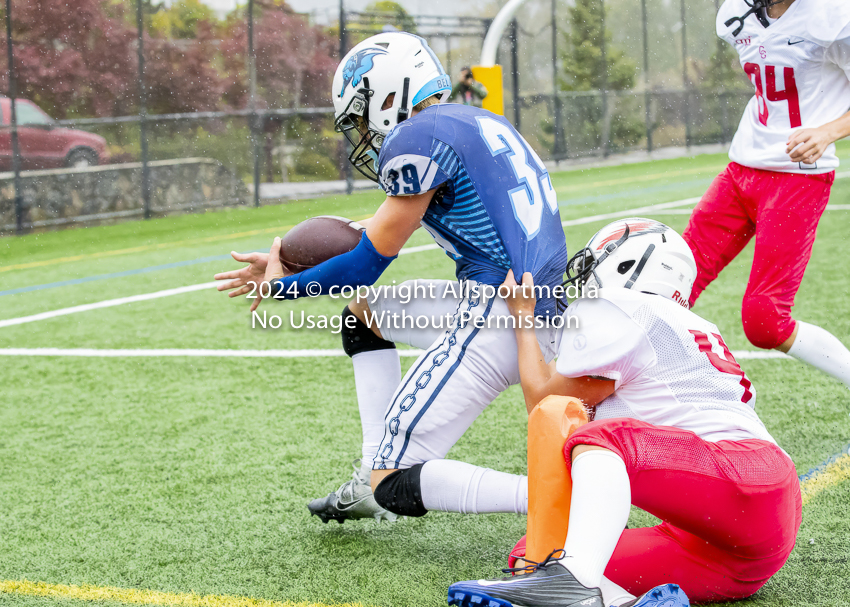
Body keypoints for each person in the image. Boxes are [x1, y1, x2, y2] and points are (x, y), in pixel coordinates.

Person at [214, 32, 569, 524]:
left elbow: (365, 263)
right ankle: (366, 476)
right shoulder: (476, 120)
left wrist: (281, 287)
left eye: (361, 113)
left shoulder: (417, 137)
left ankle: (552, 496)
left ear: (387, 94)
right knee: (364, 318)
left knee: (395, 480)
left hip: (500, 315)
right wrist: (298, 262)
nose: (362, 129)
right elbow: (383, 227)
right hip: (538, 305)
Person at [447, 219, 801, 607]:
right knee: (534, 552)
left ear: (627, 265)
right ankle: (621, 603)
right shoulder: (682, 323)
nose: (584, 281)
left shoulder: (625, 305)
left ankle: (575, 581)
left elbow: (545, 405)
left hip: (744, 477)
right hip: (739, 541)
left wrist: (523, 318)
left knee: (603, 437)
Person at [683, 0, 850, 390]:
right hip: (741, 170)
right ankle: (634, 389)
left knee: (764, 321)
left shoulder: (830, 17)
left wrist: (827, 131)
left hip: (797, 179)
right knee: (673, 282)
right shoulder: (736, 14)